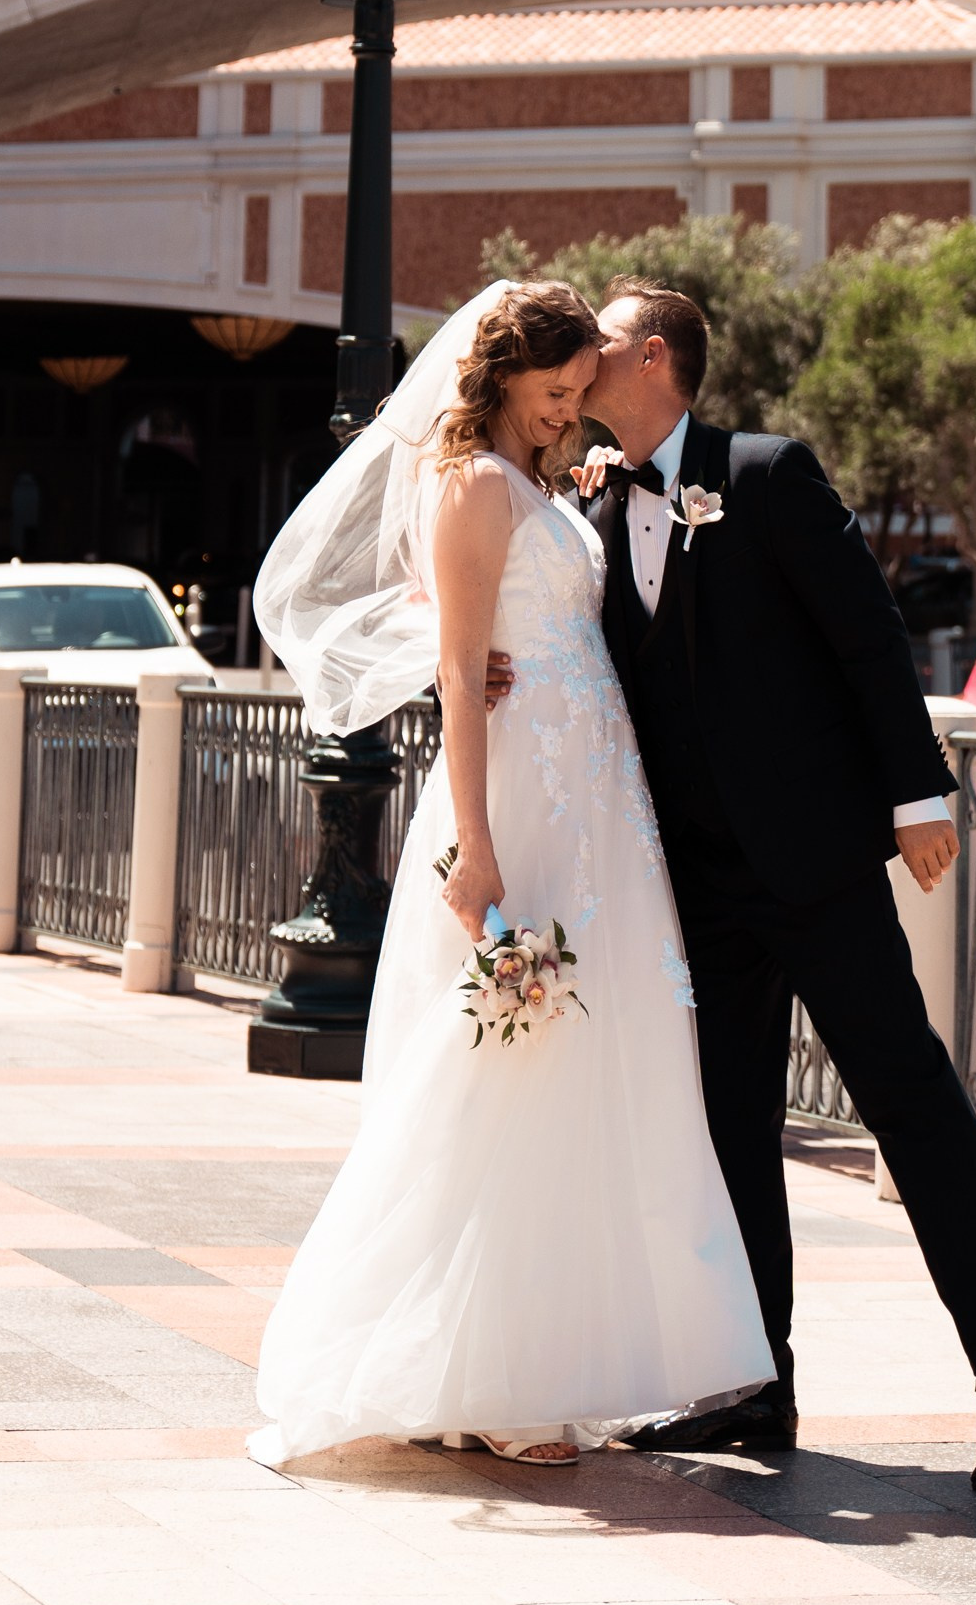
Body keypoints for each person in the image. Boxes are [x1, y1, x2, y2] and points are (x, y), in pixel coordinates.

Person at [244, 279, 772, 1470]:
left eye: (579, 393)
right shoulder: (474, 486)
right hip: (522, 801)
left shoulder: (536, 481)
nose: (568, 412)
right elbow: (456, 671)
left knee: (590, 1063)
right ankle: (486, 1374)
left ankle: (546, 1358)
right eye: (553, 392)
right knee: (509, 1061)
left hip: (599, 804)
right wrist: (476, 845)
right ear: (502, 376)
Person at [575, 277, 976, 1492]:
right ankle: (757, 1384)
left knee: (906, 1096)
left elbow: (866, 634)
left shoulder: (764, 472)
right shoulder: (594, 502)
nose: (579, 354)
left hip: (814, 862)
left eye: (599, 340)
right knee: (731, 1128)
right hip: (696, 882)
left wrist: (917, 794)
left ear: (651, 358)